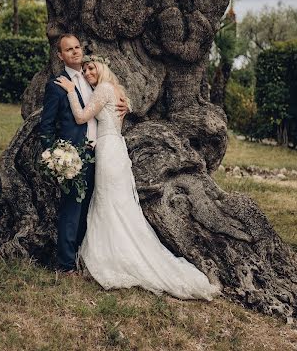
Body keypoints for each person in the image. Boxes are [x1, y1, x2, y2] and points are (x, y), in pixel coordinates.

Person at [54, 56, 220, 300]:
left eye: (92, 68)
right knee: (113, 202)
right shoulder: (115, 89)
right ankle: (115, 250)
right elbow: (117, 109)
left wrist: (70, 90)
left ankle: (114, 255)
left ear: (102, 68)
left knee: (109, 202)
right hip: (114, 149)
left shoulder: (103, 89)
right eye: (86, 68)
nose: (88, 72)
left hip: (109, 149)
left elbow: (81, 117)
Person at [40, 34, 128, 273]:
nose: (75, 52)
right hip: (73, 156)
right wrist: (54, 156)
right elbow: (46, 126)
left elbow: (107, 105)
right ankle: (65, 264)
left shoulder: (93, 81)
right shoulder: (57, 85)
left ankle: (81, 255)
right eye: (69, 49)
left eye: (77, 47)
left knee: (90, 206)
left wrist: (125, 106)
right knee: (71, 209)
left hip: (99, 155)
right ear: (60, 55)